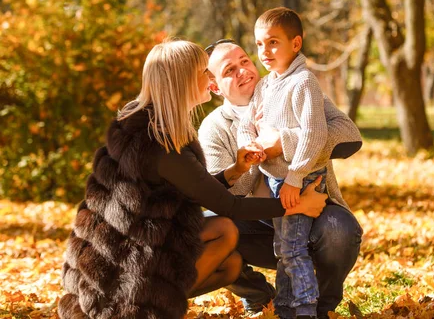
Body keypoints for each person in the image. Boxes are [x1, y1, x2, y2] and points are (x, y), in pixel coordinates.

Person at [57, 39, 327, 319]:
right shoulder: (162, 146)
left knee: (230, 265)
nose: (210, 79)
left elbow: (189, 188)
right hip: (118, 275)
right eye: (204, 72)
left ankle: (148, 301)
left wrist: (233, 171)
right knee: (225, 229)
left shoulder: (145, 123)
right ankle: (142, 311)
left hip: (116, 257)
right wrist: (296, 205)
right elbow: (229, 207)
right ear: (183, 81)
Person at [198, 36, 363, 317]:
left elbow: (350, 136)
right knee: (199, 231)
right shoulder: (213, 128)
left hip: (313, 215)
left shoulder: (293, 88)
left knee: (340, 230)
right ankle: (258, 294)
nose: (243, 71)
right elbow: (224, 198)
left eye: (244, 61)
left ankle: (320, 307)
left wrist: (285, 142)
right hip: (256, 226)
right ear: (214, 86)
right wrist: (251, 157)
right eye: (229, 70)